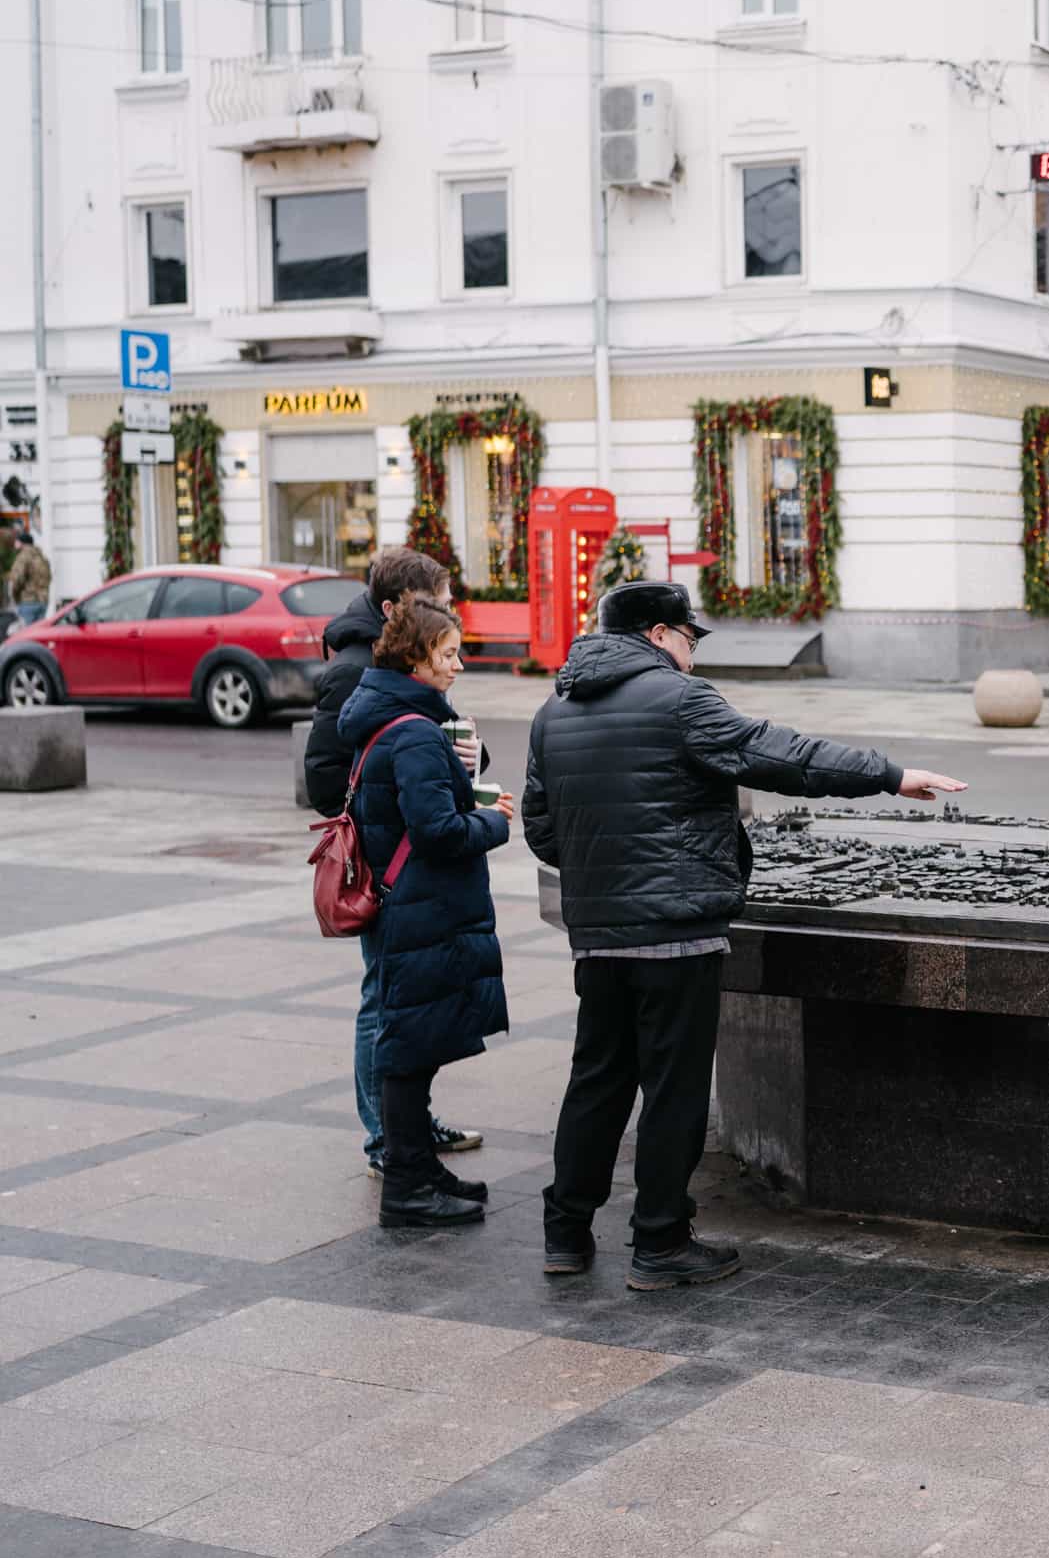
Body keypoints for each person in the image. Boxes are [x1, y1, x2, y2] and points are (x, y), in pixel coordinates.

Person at [523, 582, 968, 1289]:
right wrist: (887, 774)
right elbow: (783, 755)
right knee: (673, 1091)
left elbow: (543, 832)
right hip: (676, 936)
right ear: (660, 634)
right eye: (690, 640)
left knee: (596, 1083)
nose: (693, 655)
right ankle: (659, 1243)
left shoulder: (554, 711)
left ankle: (565, 1234)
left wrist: (607, 873)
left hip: (598, 936)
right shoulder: (677, 700)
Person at [306, 548, 485, 1177]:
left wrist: (456, 764)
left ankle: (408, 1126)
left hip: (411, 866)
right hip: (390, 871)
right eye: (436, 601)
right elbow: (330, 779)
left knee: (404, 1004)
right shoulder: (356, 675)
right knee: (384, 1003)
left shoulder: (403, 674)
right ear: (397, 614)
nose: (449, 612)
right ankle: (388, 1136)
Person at [336, 601, 515, 1229]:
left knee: (417, 1038)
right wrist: (494, 821)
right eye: (448, 654)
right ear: (416, 659)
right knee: (409, 1046)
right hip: (417, 906)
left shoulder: (394, 718)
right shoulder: (412, 730)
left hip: (407, 903)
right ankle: (407, 1182)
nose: (458, 665)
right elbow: (437, 831)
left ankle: (418, 1168)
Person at [7, 515, 49, 631]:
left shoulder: (23, 557)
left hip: (28, 601)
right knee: (39, 633)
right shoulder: (41, 557)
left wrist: (15, 597)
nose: (15, 544)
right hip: (43, 601)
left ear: (22, 543)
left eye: (17, 541)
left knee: (28, 634)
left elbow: (17, 579)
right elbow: (48, 577)